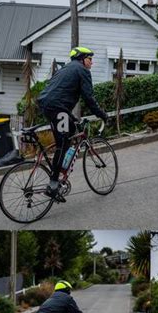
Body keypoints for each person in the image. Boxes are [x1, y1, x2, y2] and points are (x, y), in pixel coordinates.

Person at [37, 46, 108, 202]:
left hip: (48, 105)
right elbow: (89, 98)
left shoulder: (66, 69)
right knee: (63, 143)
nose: (92, 63)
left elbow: (59, 92)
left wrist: (72, 117)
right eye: (90, 59)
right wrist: (102, 114)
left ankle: (59, 171)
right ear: (82, 59)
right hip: (57, 108)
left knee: (67, 135)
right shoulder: (82, 71)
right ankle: (54, 185)